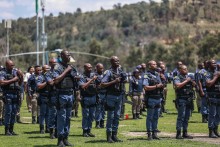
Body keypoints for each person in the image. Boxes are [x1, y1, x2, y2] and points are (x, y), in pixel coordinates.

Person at [53, 50, 78, 146]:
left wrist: (76, 78)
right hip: (61, 95)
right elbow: (56, 80)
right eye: (67, 55)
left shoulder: (72, 67)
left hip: (70, 94)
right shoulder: (57, 67)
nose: (69, 56)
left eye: (69, 55)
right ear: (62, 56)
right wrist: (67, 71)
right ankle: (60, 139)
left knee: (68, 118)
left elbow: (76, 77)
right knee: (61, 118)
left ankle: (65, 138)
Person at [101, 56, 127, 143]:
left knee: (117, 116)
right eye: (116, 61)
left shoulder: (120, 71)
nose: (118, 62)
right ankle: (108, 136)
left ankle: (114, 135)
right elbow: (103, 84)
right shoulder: (108, 72)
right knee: (110, 116)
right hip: (111, 96)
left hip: (119, 96)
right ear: (111, 62)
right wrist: (114, 81)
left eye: (118, 60)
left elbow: (124, 81)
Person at [0, 59, 23, 135]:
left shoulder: (15, 72)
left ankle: (11, 129)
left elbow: (19, 83)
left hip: (15, 94)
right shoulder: (3, 72)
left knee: (14, 112)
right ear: (7, 65)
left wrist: (21, 76)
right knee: (8, 112)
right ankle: (6, 130)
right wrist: (13, 80)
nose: (13, 66)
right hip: (8, 94)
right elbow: (2, 83)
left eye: (13, 65)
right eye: (11, 65)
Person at [173, 65, 195, 139]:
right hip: (181, 99)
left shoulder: (189, 77)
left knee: (187, 117)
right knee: (181, 116)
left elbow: (195, 86)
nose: (186, 70)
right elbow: (177, 86)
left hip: (189, 99)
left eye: (186, 68)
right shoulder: (177, 77)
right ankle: (178, 133)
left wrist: (192, 82)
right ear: (180, 70)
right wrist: (187, 81)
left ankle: (185, 132)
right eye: (184, 69)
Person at [143, 60, 163, 140]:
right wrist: (157, 86)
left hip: (158, 97)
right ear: (149, 66)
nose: (155, 65)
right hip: (151, 98)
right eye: (153, 64)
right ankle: (149, 134)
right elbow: (146, 87)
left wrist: (162, 85)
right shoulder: (146, 75)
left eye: (156, 64)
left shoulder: (157, 74)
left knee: (156, 117)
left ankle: (155, 134)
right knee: (150, 117)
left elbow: (160, 84)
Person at [79, 63, 97, 137]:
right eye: (88, 67)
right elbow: (83, 86)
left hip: (93, 97)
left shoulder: (94, 75)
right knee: (85, 115)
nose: (90, 69)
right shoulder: (82, 76)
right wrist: (91, 80)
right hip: (85, 97)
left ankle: (89, 130)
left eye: (91, 67)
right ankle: (85, 131)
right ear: (85, 68)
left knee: (92, 115)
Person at [205, 59, 220, 138]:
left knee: (218, 115)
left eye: (215, 63)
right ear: (209, 65)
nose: (215, 64)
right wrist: (216, 77)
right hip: (212, 96)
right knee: (212, 114)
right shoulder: (207, 73)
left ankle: (215, 129)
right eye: (213, 63)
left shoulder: (217, 72)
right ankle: (211, 131)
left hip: (218, 96)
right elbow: (208, 84)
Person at [44, 58, 57, 139]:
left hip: (59, 95)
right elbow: (50, 83)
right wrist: (58, 79)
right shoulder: (48, 73)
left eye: (55, 62)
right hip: (52, 95)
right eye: (53, 62)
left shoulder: (59, 71)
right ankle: (51, 132)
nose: (55, 64)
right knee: (52, 114)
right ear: (50, 63)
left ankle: (57, 132)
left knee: (59, 115)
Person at [36, 65, 50, 134]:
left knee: (48, 114)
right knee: (42, 114)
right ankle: (42, 128)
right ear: (43, 69)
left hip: (49, 96)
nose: (48, 69)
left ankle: (47, 128)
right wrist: (47, 82)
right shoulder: (40, 77)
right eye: (47, 68)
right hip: (43, 96)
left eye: (48, 68)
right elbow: (39, 86)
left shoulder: (50, 75)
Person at [95, 63, 106, 128]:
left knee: (104, 109)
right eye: (100, 68)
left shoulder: (105, 75)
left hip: (105, 94)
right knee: (98, 109)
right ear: (97, 68)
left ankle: (102, 122)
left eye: (102, 68)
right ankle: (97, 123)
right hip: (98, 94)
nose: (102, 69)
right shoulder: (95, 75)